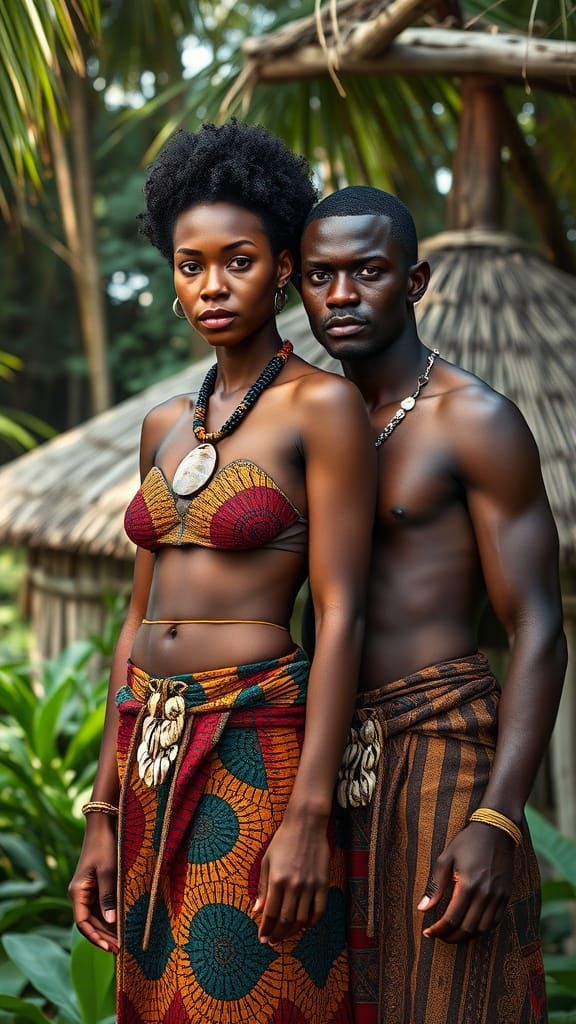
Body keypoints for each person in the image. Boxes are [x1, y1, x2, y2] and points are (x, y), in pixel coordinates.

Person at [68, 125, 376, 1024]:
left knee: (246, 991)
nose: (211, 285)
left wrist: (310, 815)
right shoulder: (162, 422)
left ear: (282, 266)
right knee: (155, 995)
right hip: (149, 745)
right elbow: (136, 622)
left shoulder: (320, 405)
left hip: (257, 738)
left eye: (236, 261)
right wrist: (102, 804)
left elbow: (342, 613)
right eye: (189, 264)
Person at [299, 185, 567, 1024]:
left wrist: (498, 815)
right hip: (321, 755)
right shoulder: (299, 421)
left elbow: (538, 628)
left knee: (453, 997)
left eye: (368, 272)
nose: (341, 296)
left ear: (414, 282)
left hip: (444, 747)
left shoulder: (473, 420)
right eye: (320, 275)